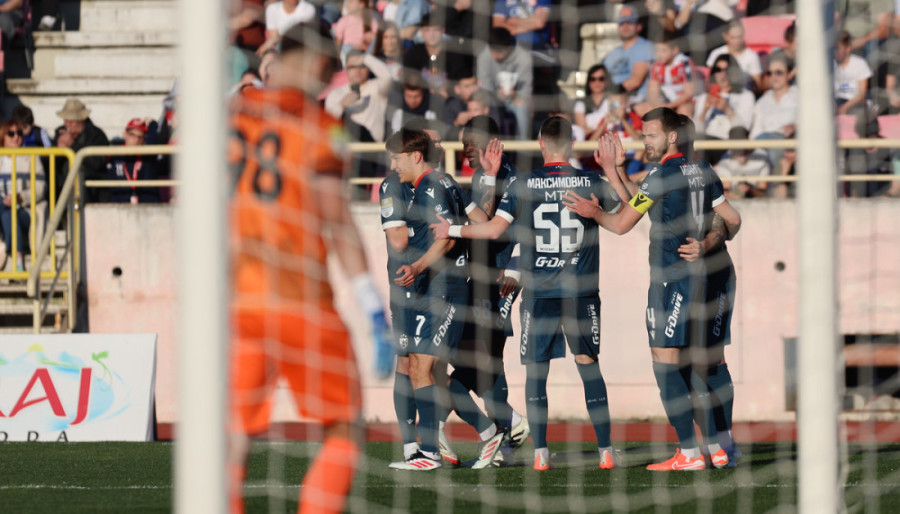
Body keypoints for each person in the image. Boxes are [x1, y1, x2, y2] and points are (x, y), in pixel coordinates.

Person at [228, 22, 393, 513]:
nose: (326, 83)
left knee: (233, 434)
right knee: (345, 425)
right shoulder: (322, 126)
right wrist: (373, 308)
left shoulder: (230, 116)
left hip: (240, 300)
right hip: (302, 300)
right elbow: (338, 223)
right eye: (327, 72)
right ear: (317, 62)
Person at [432, 116, 623, 472]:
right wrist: (612, 172)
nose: (466, 149)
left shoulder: (521, 180)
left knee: (526, 368)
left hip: (531, 288)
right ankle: (603, 449)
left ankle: (531, 447)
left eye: (471, 142)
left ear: (540, 143)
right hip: (574, 290)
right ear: (572, 144)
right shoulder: (589, 180)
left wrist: (455, 231)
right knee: (584, 365)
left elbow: (496, 228)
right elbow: (627, 213)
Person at [562, 107, 742, 470]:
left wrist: (593, 213)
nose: (644, 141)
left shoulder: (660, 175)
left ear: (672, 137)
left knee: (666, 362)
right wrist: (614, 171)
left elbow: (622, 223)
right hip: (701, 278)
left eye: (650, 135)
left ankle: (690, 452)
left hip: (671, 279)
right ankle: (719, 447)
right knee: (696, 362)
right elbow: (731, 219)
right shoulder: (702, 171)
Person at [386, 128, 510, 471]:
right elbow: (480, 219)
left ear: (415, 156)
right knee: (424, 369)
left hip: (443, 292)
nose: (393, 166)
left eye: (396, 158)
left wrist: (417, 265)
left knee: (421, 368)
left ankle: (430, 453)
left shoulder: (432, 186)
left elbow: (447, 239)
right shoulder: (445, 182)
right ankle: (486, 433)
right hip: (432, 290)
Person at [455, 115, 530, 466]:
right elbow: (481, 220)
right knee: (473, 357)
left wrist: (515, 268)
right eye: (463, 144)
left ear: (491, 142)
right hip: (480, 278)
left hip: (502, 279)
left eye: (470, 143)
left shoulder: (514, 179)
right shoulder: (481, 177)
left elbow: (525, 228)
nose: (465, 150)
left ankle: (506, 434)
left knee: (489, 356)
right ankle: (508, 427)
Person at [0, 119, 46, 273]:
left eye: (19, 133)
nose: (16, 137)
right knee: (6, 211)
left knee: (9, 214)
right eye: (11, 133)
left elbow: (40, 188)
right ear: (2, 136)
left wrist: (19, 197)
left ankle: (14, 256)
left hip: (24, 209)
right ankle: (17, 260)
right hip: (2, 206)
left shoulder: (31, 156)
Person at [693, 54, 754, 165]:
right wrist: (704, 111)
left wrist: (728, 109)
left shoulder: (745, 96)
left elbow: (743, 129)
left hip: (728, 144)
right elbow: (696, 131)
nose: (723, 74)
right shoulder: (704, 97)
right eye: (718, 70)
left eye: (727, 70)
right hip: (705, 143)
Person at [476, 28, 532, 139]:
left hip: (514, 99)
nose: (495, 56)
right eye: (493, 51)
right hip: (492, 98)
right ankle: (492, 143)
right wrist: (498, 95)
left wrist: (516, 95)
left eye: (499, 52)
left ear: (509, 47)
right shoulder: (484, 55)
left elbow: (526, 88)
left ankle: (523, 145)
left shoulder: (524, 57)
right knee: (487, 106)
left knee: (522, 107)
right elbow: (484, 86)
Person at [55, 98, 110, 203]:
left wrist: (73, 146)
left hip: (91, 191)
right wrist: (58, 149)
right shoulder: (60, 132)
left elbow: (97, 163)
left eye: (71, 122)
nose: (67, 125)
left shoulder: (96, 135)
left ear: (81, 121)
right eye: (65, 120)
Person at [749, 55, 797, 168]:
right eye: (770, 73)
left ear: (789, 74)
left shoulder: (801, 96)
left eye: (779, 72)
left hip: (792, 144)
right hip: (766, 147)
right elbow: (756, 133)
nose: (774, 77)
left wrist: (796, 127)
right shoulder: (762, 102)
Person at [602, 5, 654, 104]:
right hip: (613, 100)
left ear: (639, 26)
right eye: (621, 23)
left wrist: (612, 93)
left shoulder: (645, 47)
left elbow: (636, 81)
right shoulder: (611, 54)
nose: (625, 26)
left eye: (630, 22)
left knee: (615, 103)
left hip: (637, 101)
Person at [104, 118, 161, 204]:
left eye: (140, 137)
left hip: (147, 204)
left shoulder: (147, 155)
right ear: (124, 134)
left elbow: (153, 141)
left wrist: (152, 123)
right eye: (132, 135)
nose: (136, 140)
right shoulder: (114, 154)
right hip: (119, 204)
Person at [705, 20, 763, 94]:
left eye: (739, 37)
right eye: (733, 37)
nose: (737, 41)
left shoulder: (752, 57)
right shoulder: (716, 54)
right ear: (725, 36)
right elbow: (710, 80)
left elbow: (758, 86)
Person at [646, 31, 695, 117]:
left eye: (663, 51)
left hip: (682, 101)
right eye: (657, 50)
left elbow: (689, 93)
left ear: (675, 50)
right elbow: (652, 92)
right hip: (664, 100)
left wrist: (669, 106)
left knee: (684, 111)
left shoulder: (684, 63)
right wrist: (658, 104)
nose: (659, 55)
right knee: (643, 108)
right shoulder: (655, 64)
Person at [834, 30, 872, 116]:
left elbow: (862, 93)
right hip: (836, 102)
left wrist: (846, 107)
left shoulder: (860, 63)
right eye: (833, 48)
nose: (835, 52)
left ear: (848, 49)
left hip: (855, 103)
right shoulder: (830, 64)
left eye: (838, 48)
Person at [574, 64, 613, 142]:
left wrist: (592, 129)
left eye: (601, 79)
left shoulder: (613, 100)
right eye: (593, 79)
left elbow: (618, 118)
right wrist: (602, 126)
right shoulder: (580, 103)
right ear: (588, 81)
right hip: (590, 145)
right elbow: (582, 131)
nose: (597, 82)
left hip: (611, 141)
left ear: (607, 81)